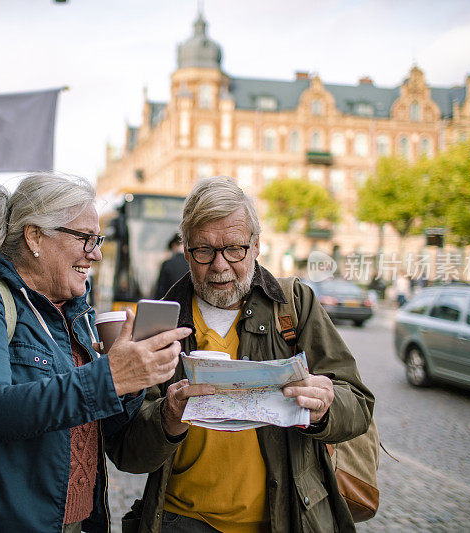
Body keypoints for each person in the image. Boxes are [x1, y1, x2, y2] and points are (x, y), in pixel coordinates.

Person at [0, 173, 191, 532]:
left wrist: (158, 404)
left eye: (98, 239)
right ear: (35, 236)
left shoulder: (77, 315)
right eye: (86, 238)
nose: (97, 253)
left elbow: (113, 436)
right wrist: (110, 376)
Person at [107, 177, 374, 533]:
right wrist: (167, 416)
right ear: (185, 251)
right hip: (181, 521)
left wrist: (325, 406)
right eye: (204, 251)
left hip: (285, 518)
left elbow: (357, 404)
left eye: (235, 249)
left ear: (256, 247)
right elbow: (128, 454)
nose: (219, 265)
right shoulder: (158, 322)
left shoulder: (294, 305)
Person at [155, 234, 190, 299]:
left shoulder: (167, 264)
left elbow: (160, 291)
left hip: (170, 306)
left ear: (173, 246)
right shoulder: (192, 265)